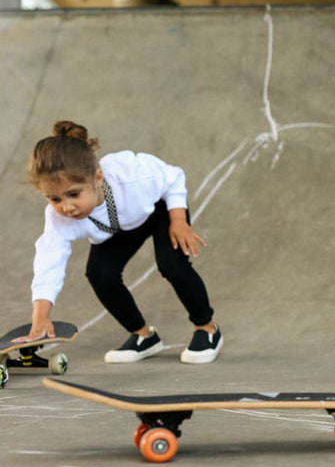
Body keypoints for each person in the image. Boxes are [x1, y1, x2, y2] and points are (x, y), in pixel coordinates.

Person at [19, 120, 223, 364]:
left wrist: (178, 220)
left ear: (98, 177)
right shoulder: (59, 219)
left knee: (172, 265)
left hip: (158, 211)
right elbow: (49, 261)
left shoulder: (131, 176)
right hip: (116, 228)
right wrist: (40, 316)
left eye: (74, 194)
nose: (67, 207)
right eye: (54, 199)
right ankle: (143, 336)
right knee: (100, 275)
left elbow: (173, 177)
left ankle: (207, 328)